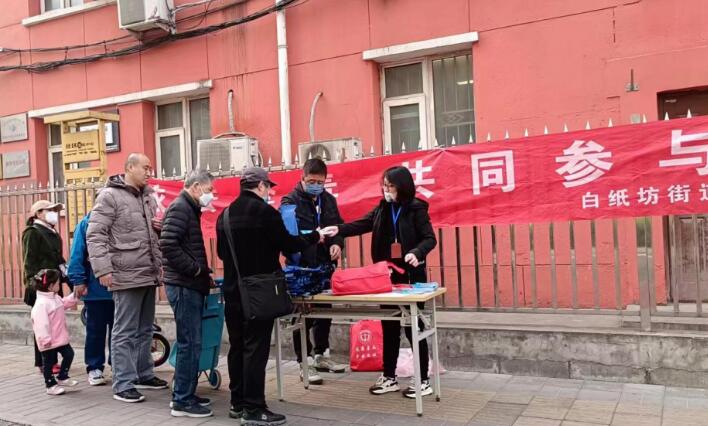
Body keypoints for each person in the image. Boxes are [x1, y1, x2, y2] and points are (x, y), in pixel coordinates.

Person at [216, 167, 328, 426]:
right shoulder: (265, 212)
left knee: (237, 347)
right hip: (260, 292)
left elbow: (222, 253)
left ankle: (237, 403)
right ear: (260, 186)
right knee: (256, 349)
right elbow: (289, 244)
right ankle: (254, 409)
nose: (269, 191)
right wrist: (316, 236)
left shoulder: (225, 214)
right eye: (268, 186)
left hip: (233, 291)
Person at [323, 166, 437, 398]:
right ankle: (389, 376)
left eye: (390, 186)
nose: (386, 190)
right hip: (386, 276)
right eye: (384, 185)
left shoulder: (416, 209)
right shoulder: (383, 208)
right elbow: (363, 223)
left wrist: (417, 252)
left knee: (413, 326)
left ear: (402, 187)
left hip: (410, 277)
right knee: (389, 326)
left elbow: (429, 239)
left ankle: (422, 379)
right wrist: (339, 230)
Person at [87, 153, 167, 403]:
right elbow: (95, 234)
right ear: (130, 167)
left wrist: (158, 231)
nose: (149, 172)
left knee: (145, 328)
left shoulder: (147, 196)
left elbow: (149, 234)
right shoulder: (110, 196)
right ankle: (123, 383)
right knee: (124, 331)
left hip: (148, 272)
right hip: (125, 273)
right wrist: (103, 269)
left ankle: (144, 373)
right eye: (145, 167)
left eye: (150, 168)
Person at [280, 158, 346, 384]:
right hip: (301, 267)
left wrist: (337, 243)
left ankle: (321, 354)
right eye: (311, 181)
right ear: (302, 178)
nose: (316, 185)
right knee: (302, 315)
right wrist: (311, 239)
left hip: (325, 264)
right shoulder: (290, 202)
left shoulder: (329, 200)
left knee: (325, 311)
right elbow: (288, 237)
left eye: (320, 182)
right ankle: (304, 361)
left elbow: (338, 227)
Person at [160, 169, 215, 418]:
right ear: (195, 187)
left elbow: (184, 246)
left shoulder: (189, 208)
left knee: (192, 342)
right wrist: (195, 270)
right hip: (183, 285)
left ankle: (186, 393)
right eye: (209, 190)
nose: (211, 195)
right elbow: (168, 244)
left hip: (189, 283)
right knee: (189, 343)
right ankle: (182, 400)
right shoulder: (181, 207)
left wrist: (202, 272)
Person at [68, 211, 114, 386]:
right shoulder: (86, 223)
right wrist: (78, 280)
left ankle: (118, 365)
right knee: (95, 331)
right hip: (96, 290)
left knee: (119, 332)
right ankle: (95, 367)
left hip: (121, 288)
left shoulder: (121, 219)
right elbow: (77, 253)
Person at [22, 200, 66, 374]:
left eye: (55, 210)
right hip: (41, 287)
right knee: (43, 326)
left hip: (53, 285)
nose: (54, 213)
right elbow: (29, 262)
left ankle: (52, 359)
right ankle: (44, 362)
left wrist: (67, 276)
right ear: (39, 213)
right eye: (50, 210)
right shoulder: (32, 232)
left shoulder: (51, 231)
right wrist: (35, 285)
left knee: (54, 324)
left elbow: (58, 258)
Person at [30, 269, 78, 396]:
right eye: (57, 283)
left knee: (69, 354)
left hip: (59, 337)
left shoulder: (55, 297)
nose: (59, 284)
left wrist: (75, 295)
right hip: (48, 340)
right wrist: (45, 339)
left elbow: (63, 303)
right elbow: (41, 325)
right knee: (49, 363)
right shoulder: (41, 304)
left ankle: (63, 376)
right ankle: (50, 385)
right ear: (50, 286)